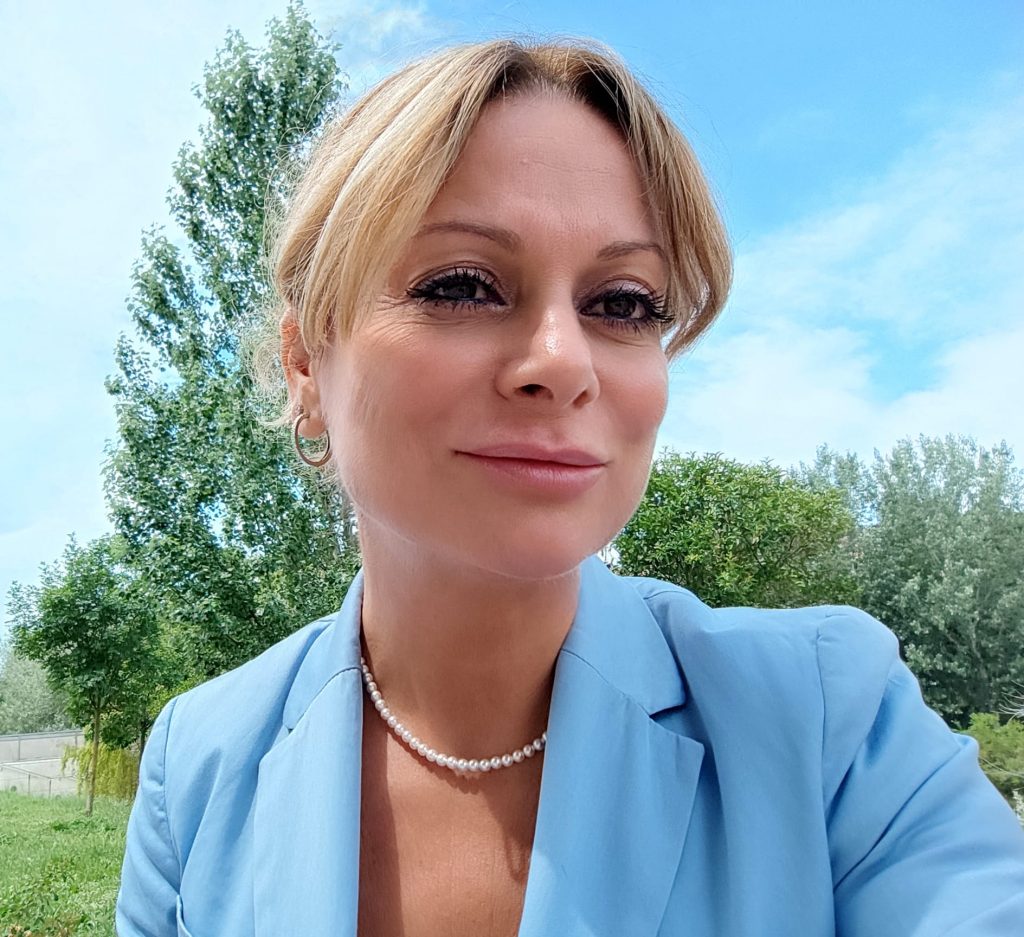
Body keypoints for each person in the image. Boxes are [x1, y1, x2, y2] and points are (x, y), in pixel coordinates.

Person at [116, 38, 1024, 937]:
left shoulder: (833, 724)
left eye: (623, 302)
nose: (563, 361)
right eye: (463, 285)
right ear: (306, 363)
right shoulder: (196, 772)